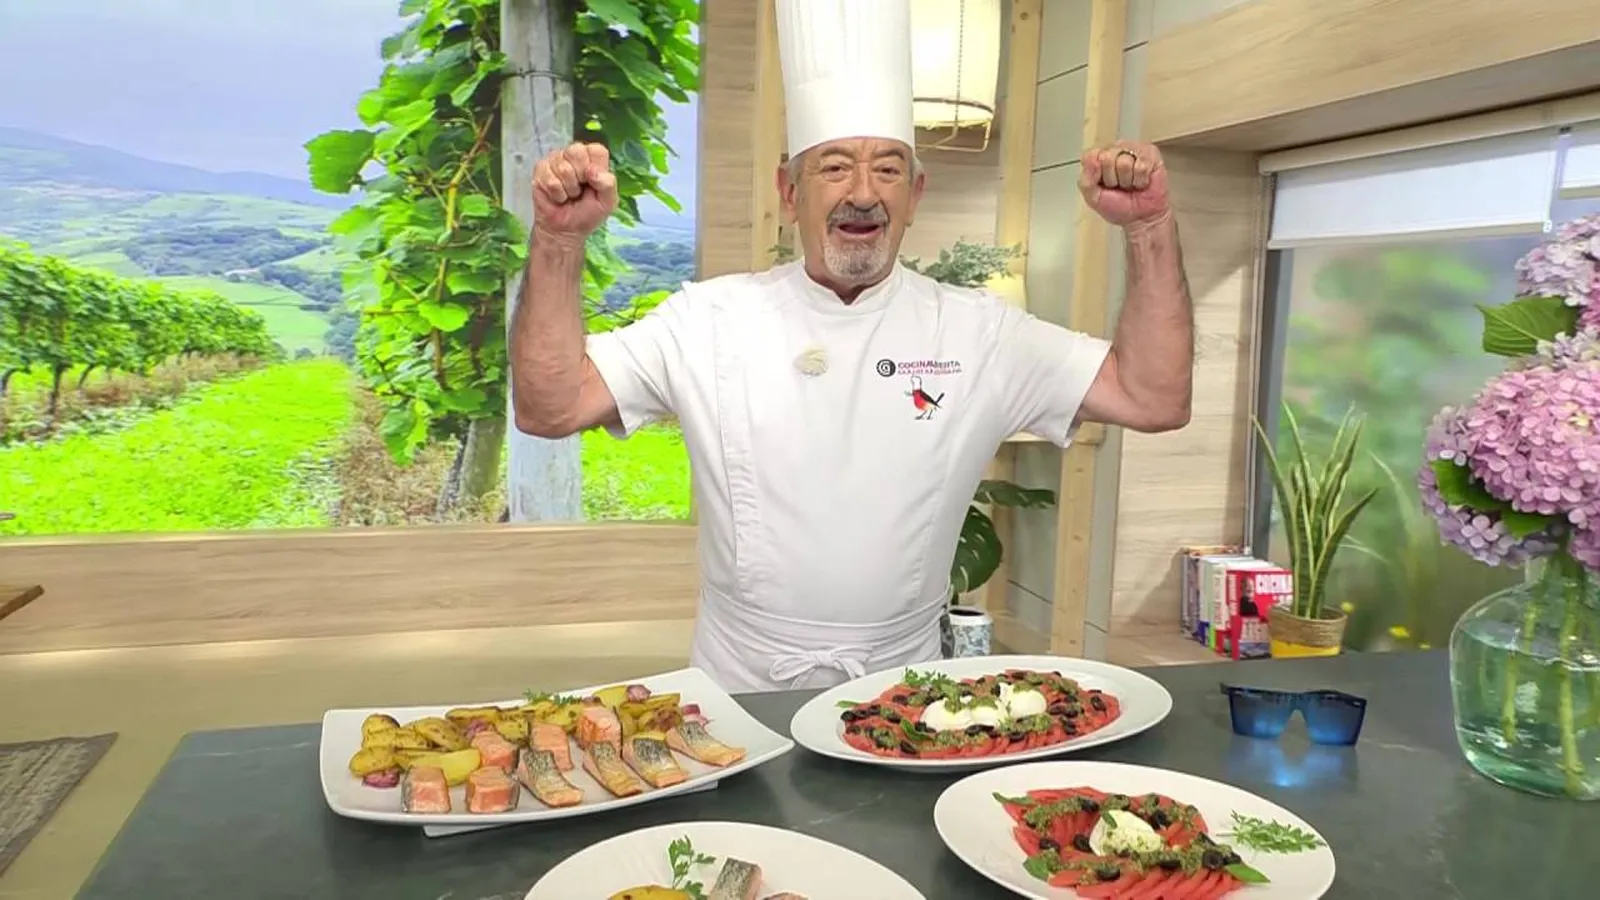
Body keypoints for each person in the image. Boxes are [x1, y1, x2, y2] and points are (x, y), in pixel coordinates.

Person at [509, 0, 1193, 693]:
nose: (863, 194)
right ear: (789, 190)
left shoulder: (981, 332)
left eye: (888, 170)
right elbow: (550, 406)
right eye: (835, 167)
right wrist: (559, 241)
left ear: (915, 194)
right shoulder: (708, 319)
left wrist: (1149, 228)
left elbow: (1153, 396)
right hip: (740, 686)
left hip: (904, 692)